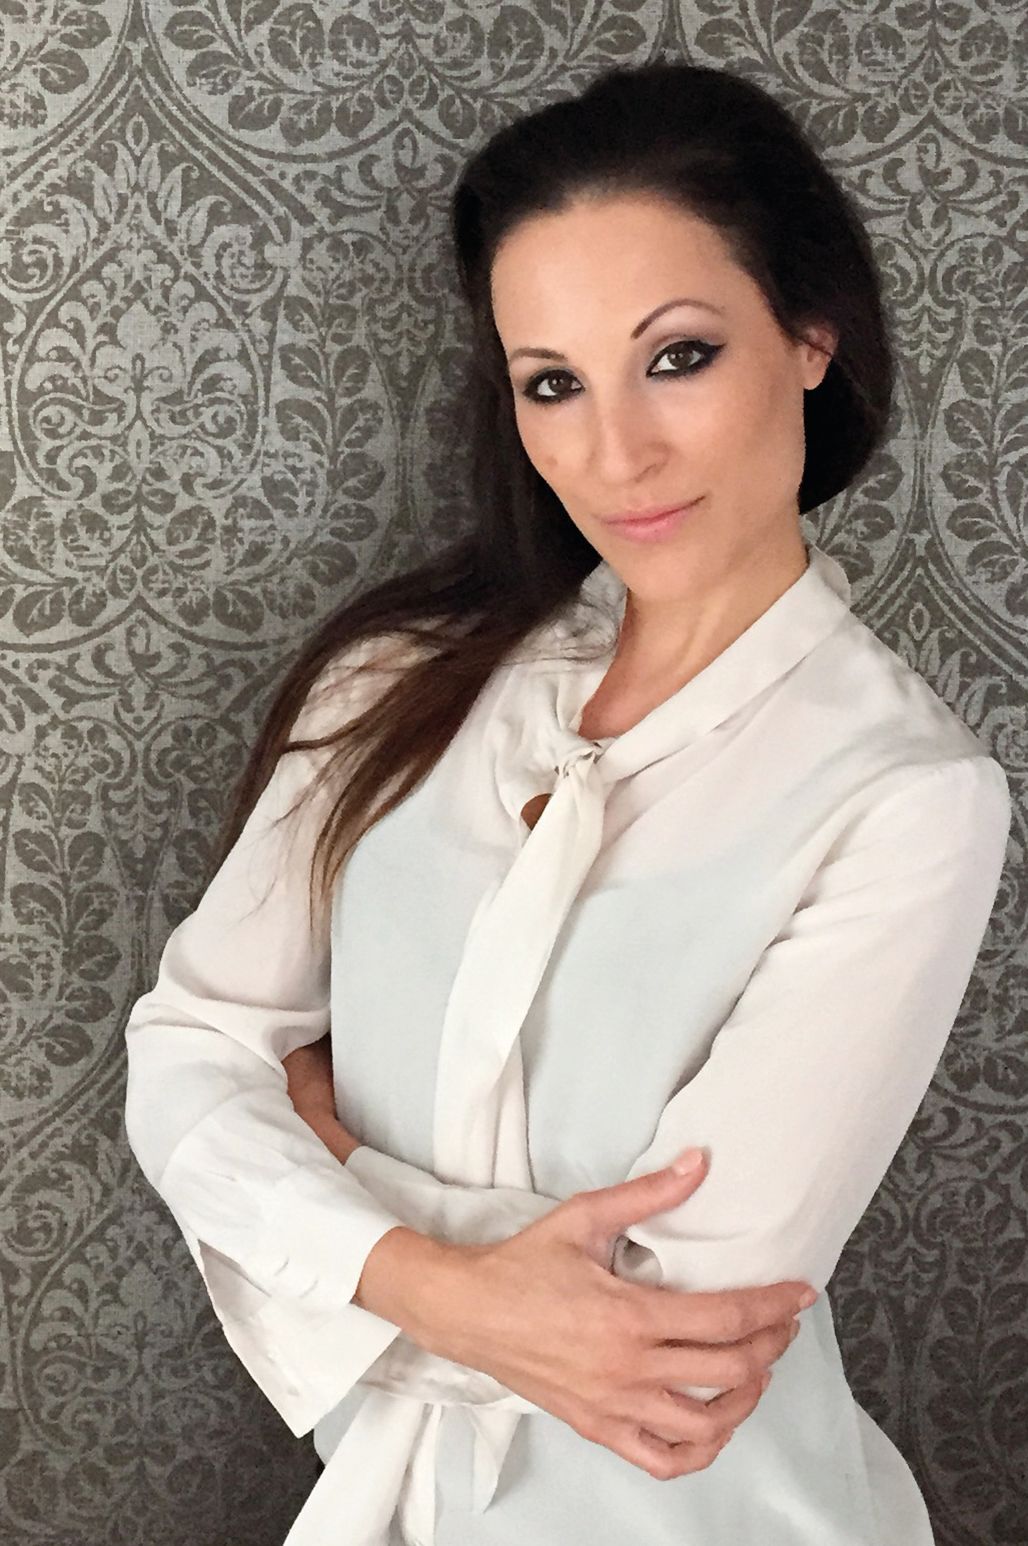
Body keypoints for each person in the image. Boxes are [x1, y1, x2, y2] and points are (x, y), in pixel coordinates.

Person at [122, 60, 1011, 1546]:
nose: (616, 454)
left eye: (678, 357)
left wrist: (321, 1170)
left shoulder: (910, 800)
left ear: (810, 335)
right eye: (554, 382)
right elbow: (186, 1051)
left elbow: (668, 1329)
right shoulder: (394, 683)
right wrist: (451, 1287)